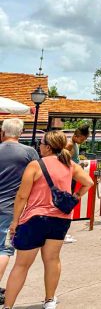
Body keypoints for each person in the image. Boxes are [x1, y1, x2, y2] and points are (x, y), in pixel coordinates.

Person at [3, 129, 93, 309]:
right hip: (60, 218)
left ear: (49, 147)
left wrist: (15, 221)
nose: (39, 146)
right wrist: (75, 197)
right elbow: (88, 183)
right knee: (52, 260)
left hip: (35, 218)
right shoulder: (69, 164)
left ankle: (8, 306)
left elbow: (22, 196)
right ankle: (50, 299)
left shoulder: (35, 165)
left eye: (41, 143)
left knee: (21, 265)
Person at [0, 119, 38, 305]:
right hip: (11, 207)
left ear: (2, 132)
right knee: (3, 249)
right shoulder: (29, 153)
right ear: (21, 133)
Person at [63, 124, 89, 244]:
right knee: (67, 202)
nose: (83, 142)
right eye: (82, 139)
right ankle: (63, 233)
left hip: (72, 175)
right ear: (77, 136)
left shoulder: (74, 144)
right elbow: (64, 160)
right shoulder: (69, 145)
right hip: (69, 176)